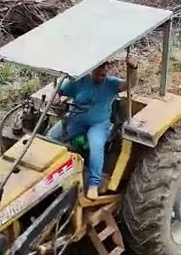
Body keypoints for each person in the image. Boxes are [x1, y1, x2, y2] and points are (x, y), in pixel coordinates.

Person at [47, 59, 137, 200]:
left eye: (104, 73)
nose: (101, 76)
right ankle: (50, 173)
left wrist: (133, 70)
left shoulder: (111, 84)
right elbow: (58, 90)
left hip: (99, 124)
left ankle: (94, 184)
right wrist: (56, 98)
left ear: (107, 71)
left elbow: (130, 84)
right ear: (92, 70)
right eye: (98, 73)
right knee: (51, 137)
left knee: (96, 146)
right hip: (76, 120)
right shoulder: (79, 82)